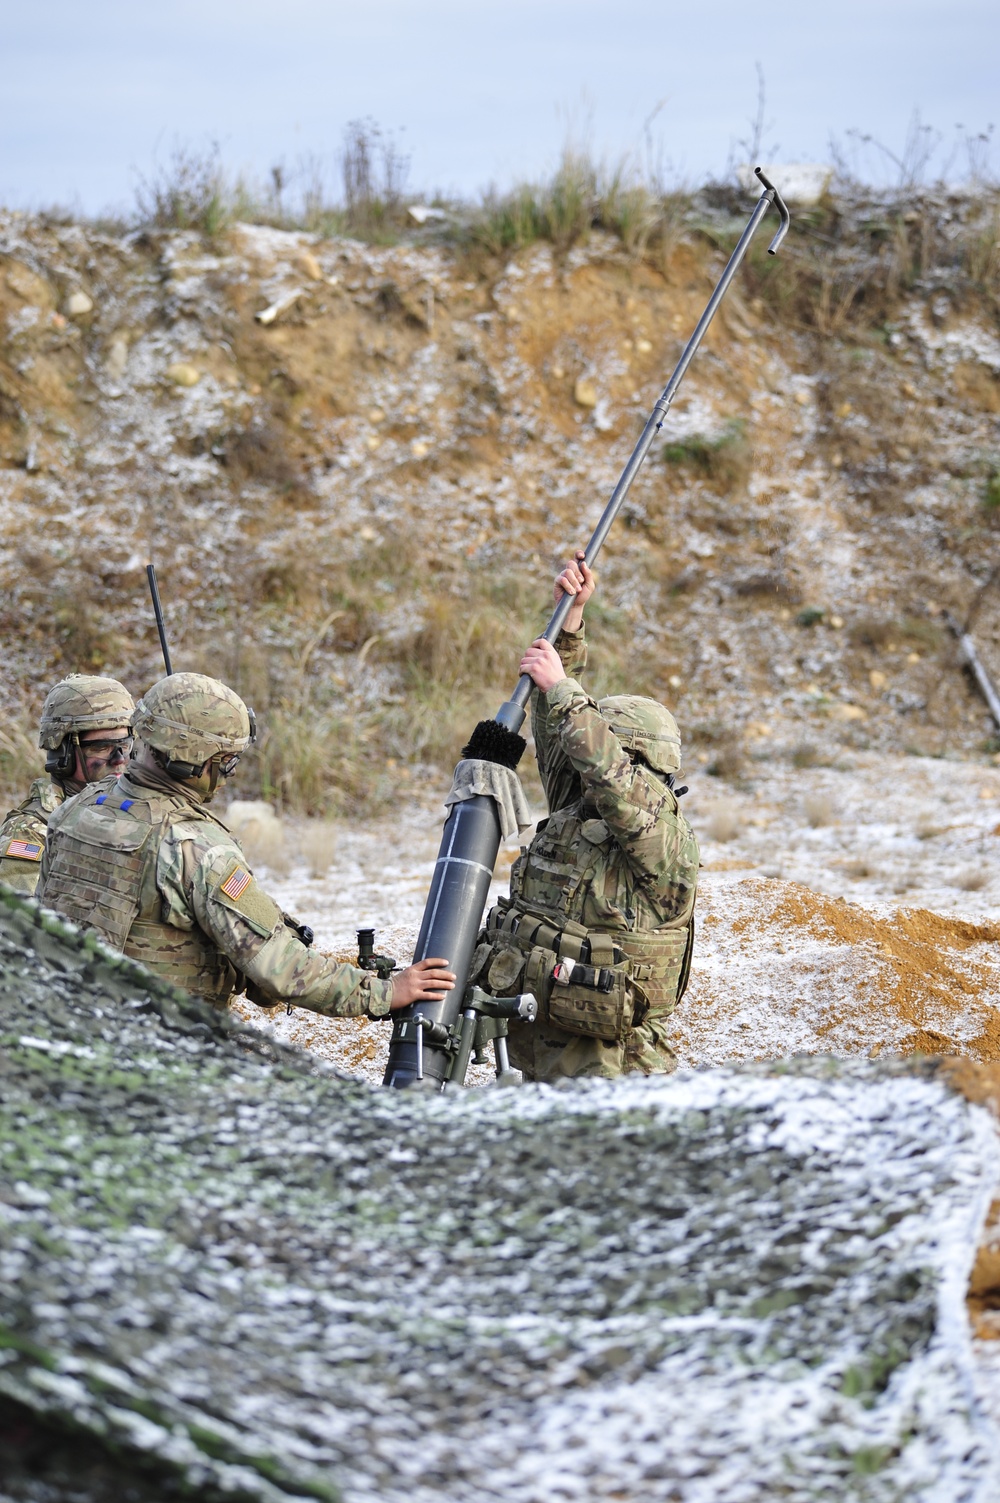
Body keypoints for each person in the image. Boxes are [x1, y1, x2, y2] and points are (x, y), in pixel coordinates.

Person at [38, 672, 454, 1020]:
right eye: (227, 762)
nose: (228, 775)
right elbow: (280, 968)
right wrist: (385, 991)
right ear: (195, 764)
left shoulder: (76, 808)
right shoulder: (195, 847)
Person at [472, 552, 699, 1081]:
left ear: (637, 760)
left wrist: (565, 692)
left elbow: (609, 770)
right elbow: (558, 734)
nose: (580, 767)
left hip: (618, 1068)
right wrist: (568, 625)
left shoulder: (659, 832)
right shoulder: (581, 809)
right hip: (546, 1049)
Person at [0, 674, 135, 895]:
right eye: (101, 748)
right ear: (63, 755)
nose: (119, 759)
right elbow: (18, 924)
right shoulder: (32, 832)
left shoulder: (132, 810)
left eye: (125, 745)